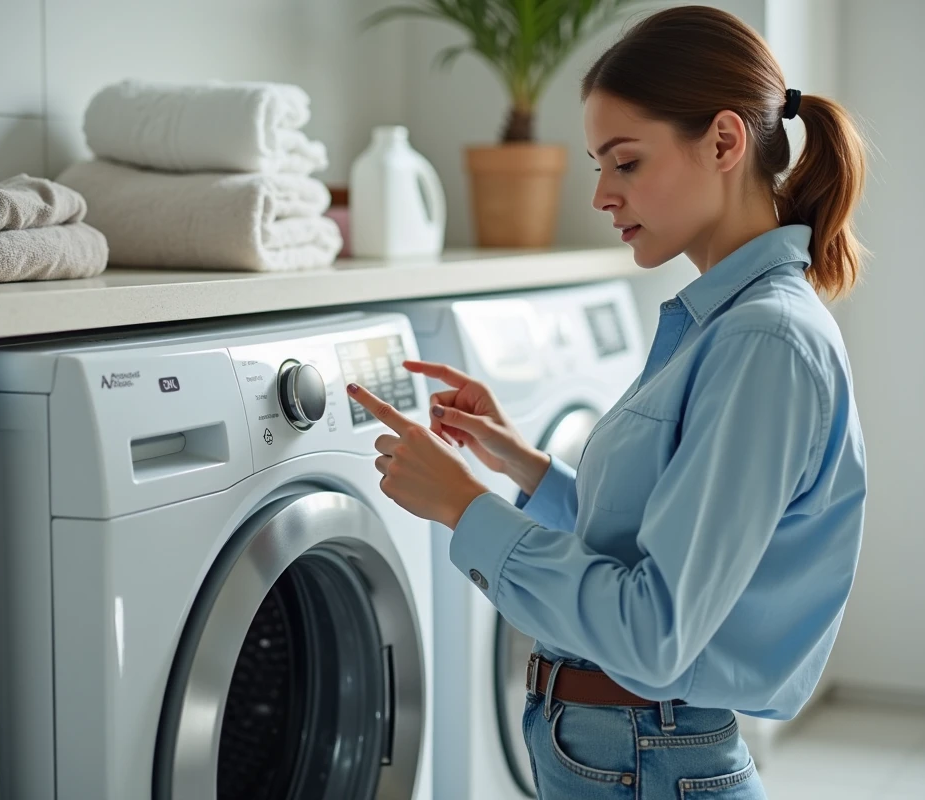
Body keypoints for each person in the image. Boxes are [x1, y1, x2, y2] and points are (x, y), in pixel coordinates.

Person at [346, 5, 868, 797]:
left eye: (624, 163)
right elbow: (646, 544)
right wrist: (519, 462)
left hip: (647, 756)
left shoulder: (764, 342)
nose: (600, 195)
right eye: (600, 165)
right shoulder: (722, 324)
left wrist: (463, 509)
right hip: (631, 750)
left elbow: (654, 633)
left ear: (725, 142)